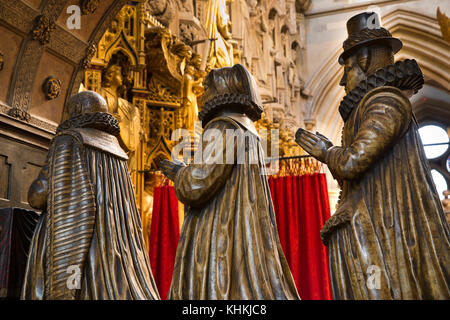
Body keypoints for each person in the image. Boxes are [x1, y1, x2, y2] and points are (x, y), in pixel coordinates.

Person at [295, 12, 450, 299]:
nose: (342, 81)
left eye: (349, 69)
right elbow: (357, 179)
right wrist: (329, 152)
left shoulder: (385, 101)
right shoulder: (373, 104)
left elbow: (353, 163)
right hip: (374, 229)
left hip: (384, 234)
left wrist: (327, 151)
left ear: (365, 61)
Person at [160, 64, 299, 300]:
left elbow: (196, 185)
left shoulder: (223, 128)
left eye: (206, 88)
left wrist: (177, 172)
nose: (202, 95)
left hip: (221, 227)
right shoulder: (248, 130)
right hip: (243, 228)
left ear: (221, 89)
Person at [22, 91, 160, 300]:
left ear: (75, 111)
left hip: (77, 249)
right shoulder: (119, 152)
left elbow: (38, 197)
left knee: (71, 287)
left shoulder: (69, 140)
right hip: (114, 256)